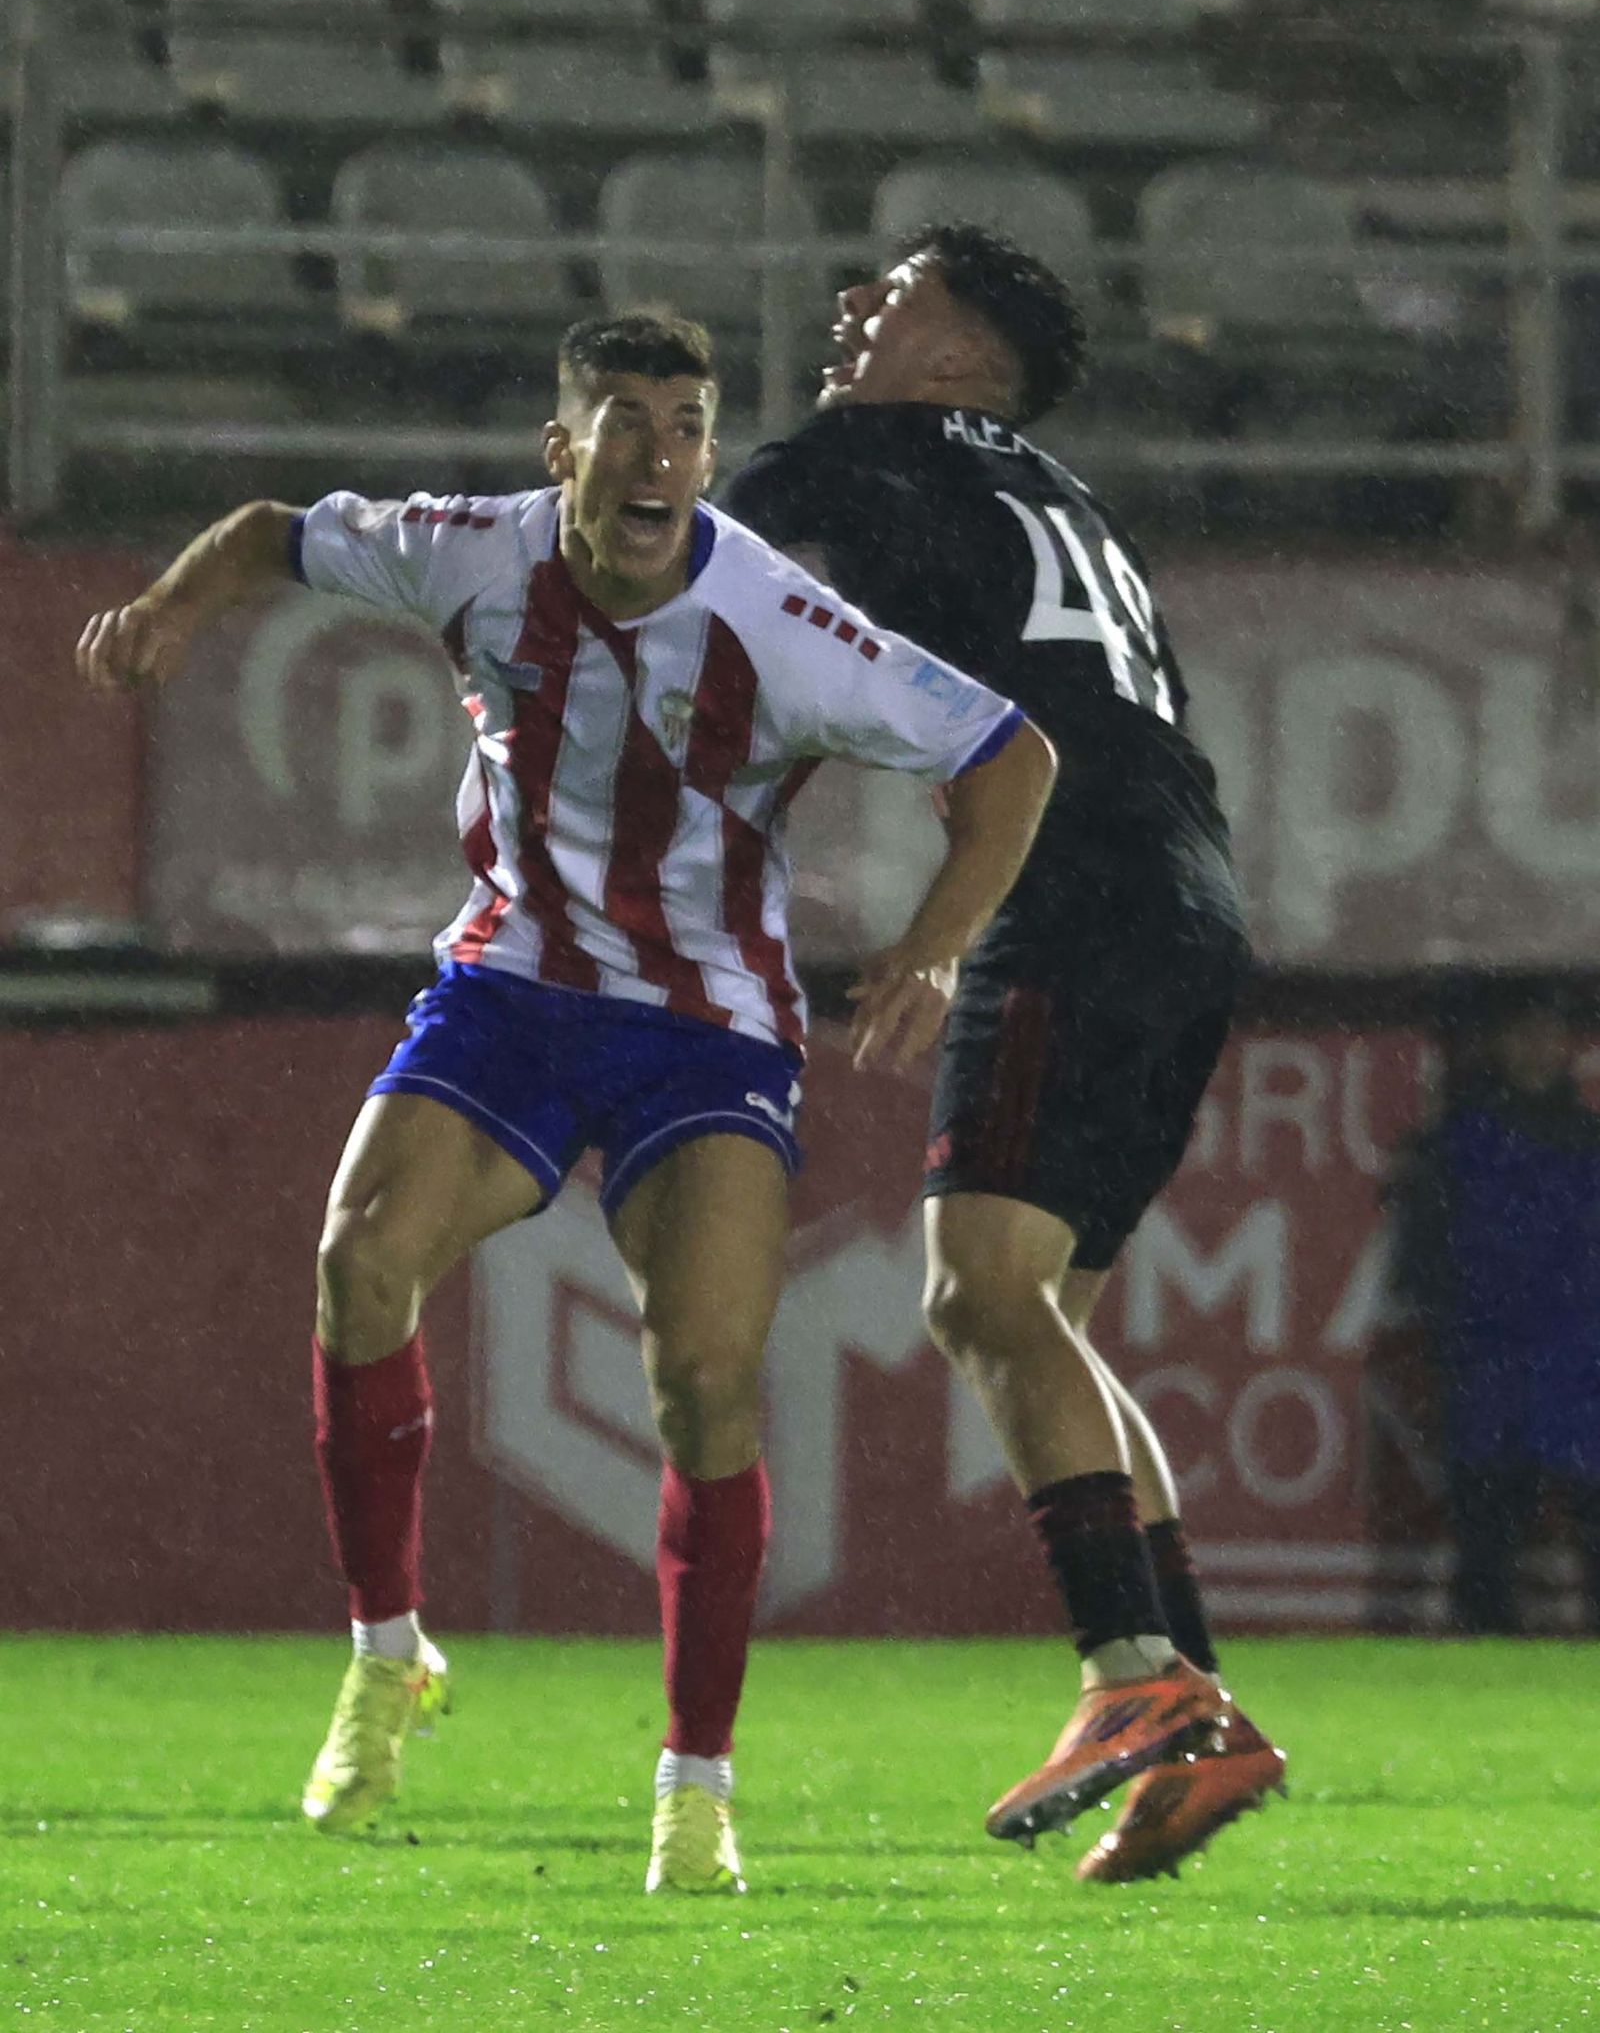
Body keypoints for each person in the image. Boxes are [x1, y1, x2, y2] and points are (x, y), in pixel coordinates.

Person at [74, 309, 1056, 1895]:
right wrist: (172, 613)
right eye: (626, 421)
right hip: (513, 990)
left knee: (707, 1380)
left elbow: (1012, 761)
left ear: (709, 455)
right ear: (565, 452)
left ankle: (694, 1783)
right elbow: (270, 534)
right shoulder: (476, 552)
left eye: (685, 424)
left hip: (706, 1028)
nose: (659, 451)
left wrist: (935, 953)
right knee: (356, 1266)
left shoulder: (779, 622)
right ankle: (389, 1654)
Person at [725, 225, 1284, 1883]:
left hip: (1075, 887)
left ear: (966, 354)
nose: (851, 314)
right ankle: (1201, 1719)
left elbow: (684, 571)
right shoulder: (1058, 494)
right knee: (1056, 1333)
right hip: (1192, 893)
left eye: (892, 298)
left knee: (977, 1296)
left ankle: (1132, 1672)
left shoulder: (866, 451)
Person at [1388, 992, 1600, 1637]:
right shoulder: (1456, 1140)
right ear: (1501, 1041)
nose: (1539, 1047)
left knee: (1589, 1504)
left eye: (1552, 1032)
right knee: (1486, 1504)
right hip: (1489, 1342)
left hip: (1579, 1344)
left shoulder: (1588, 1141)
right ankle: (1483, 1632)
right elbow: (1426, 1250)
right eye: (1526, 1031)